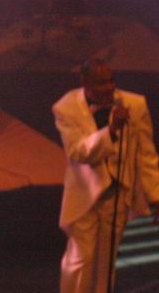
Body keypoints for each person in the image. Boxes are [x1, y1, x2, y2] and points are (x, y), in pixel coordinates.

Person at [55, 59, 159, 293]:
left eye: (111, 81)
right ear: (85, 83)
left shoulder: (135, 104)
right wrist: (111, 131)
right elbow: (78, 152)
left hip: (117, 193)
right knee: (80, 259)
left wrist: (155, 195)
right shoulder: (66, 107)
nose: (109, 87)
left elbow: (146, 153)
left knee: (107, 260)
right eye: (101, 83)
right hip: (84, 195)